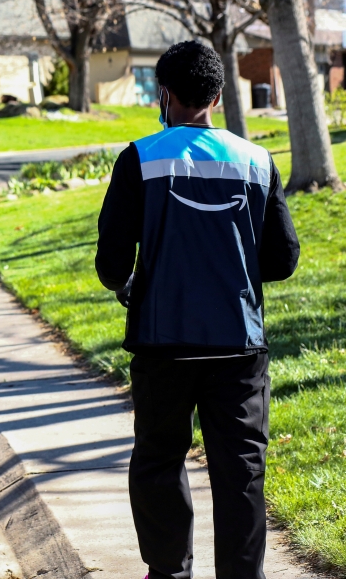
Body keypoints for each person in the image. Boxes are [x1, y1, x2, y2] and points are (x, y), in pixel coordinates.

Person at [95, 40, 300, 579]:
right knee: (241, 469)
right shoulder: (256, 161)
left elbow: (112, 261)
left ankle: (168, 572)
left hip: (162, 343)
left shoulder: (139, 158)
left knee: (159, 459)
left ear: (164, 94)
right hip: (238, 344)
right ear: (218, 95)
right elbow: (282, 259)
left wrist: (127, 284)